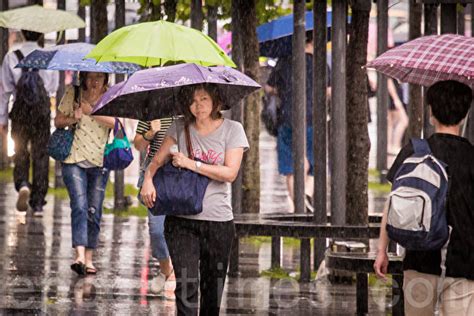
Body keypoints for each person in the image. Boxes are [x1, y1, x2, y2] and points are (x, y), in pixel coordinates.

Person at [140, 83, 249, 315]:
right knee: (187, 284)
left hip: (218, 222)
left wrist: (192, 164)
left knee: (212, 292)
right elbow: (156, 161)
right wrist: (148, 179)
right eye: (193, 100)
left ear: (215, 102)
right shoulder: (179, 126)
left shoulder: (233, 129)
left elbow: (230, 173)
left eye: (204, 99)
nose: (198, 105)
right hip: (181, 221)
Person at [374, 80, 474, 315]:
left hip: (419, 258)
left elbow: (393, 202)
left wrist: (382, 250)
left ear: (431, 112)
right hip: (464, 262)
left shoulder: (415, 150)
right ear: (464, 115)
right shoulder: (471, 157)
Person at [54, 72, 115, 275]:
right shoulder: (74, 92)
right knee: (79, 205)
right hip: (74, 158)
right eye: (90, 77)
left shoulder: (111, 95)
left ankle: (89, 258)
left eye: (99, 77)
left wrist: (92, 111)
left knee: (94, 209)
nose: (94, 81)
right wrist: (74, 118)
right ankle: (79, 255)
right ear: (84, 78)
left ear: (106, 79)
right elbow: (57, 121)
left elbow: (117, 123)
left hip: (100, 161)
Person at [264, 32, 331, 213]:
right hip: (312, 119)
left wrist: (285, 92)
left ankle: (298, 207)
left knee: (290, 167)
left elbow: (269, 87)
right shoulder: (320, 64)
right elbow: (329, 91)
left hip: (287, 118)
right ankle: (307, 193)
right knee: (314, 163)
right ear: (313, 41)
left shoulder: (284, 62)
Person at [0, 30, 59, 216]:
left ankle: (23, 184)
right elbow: (52, 88)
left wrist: (2, 119)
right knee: (41, 153)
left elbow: (4, 91)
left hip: (20, 112)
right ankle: (38, 201)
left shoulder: (12, 57)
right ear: (40, 35)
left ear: (23, 35)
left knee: (20, 150)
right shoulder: (48, 57)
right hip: (41, 112)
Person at [134, 118, 175, 294]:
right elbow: (138, 145)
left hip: (182, 174)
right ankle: (166, 270)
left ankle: (178, 273)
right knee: (156, 229)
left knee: (181, 229)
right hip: (154, 174)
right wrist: (150, 133)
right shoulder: (152, 110)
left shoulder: (188, 109)